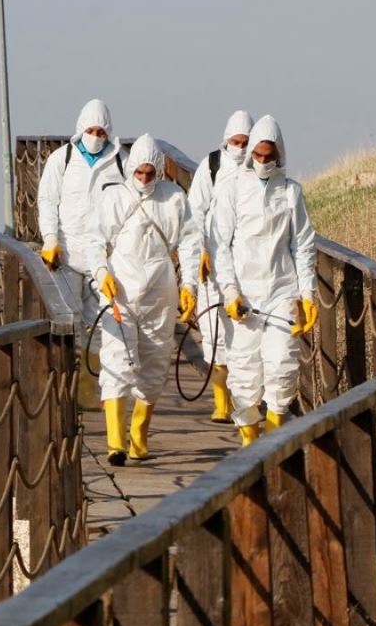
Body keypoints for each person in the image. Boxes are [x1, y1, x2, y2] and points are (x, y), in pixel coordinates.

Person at [87, 134, 199, 466]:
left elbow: (191, 242)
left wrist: (189, 284)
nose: (145, 179)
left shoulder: (174, 199)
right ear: (131, 168)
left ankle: (139, 434)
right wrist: (99, 272)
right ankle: (115, 443)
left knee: (154, 362)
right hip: (120, 287)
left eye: (151, 174)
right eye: (139, 173)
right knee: (117, 359)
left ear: (159, 172)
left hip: (159, 291)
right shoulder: (114, 199)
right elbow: (95, 239)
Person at [212, 114, 317, 445]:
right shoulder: (230, 189)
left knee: (282, 367)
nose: (262, 162)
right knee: (244, 373)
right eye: (257, 155)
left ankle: (272, 447)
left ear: (279, 155)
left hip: (281, 292)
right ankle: (248, 445)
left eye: (268, 156)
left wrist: (308, 293)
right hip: (243, 295)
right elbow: (219, 245)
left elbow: (302, 244)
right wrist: (229, 290)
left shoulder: (290, 192)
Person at [37, 99, 127, 407]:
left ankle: (89, 390)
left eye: (101, 131)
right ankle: (65, 387)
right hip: (67, 257)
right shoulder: (62, 160)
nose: (96, 136)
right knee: (68, 321)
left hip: (104, 260)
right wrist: (50, 239)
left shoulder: (120, 163)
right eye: (90, 130)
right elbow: (48, 201)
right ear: (80, 129)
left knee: (103, 324)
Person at [187, 109, 253, 424]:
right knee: (213, 331)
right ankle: (221, 401)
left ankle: (247, 398)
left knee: (243, 333)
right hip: (213, 262)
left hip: (247, 265)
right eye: (236, 142)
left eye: (245, 142)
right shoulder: (211, 166)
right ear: (226, 141)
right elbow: (195, 210)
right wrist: (201, 248)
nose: (241, 148)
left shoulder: (259, 169)